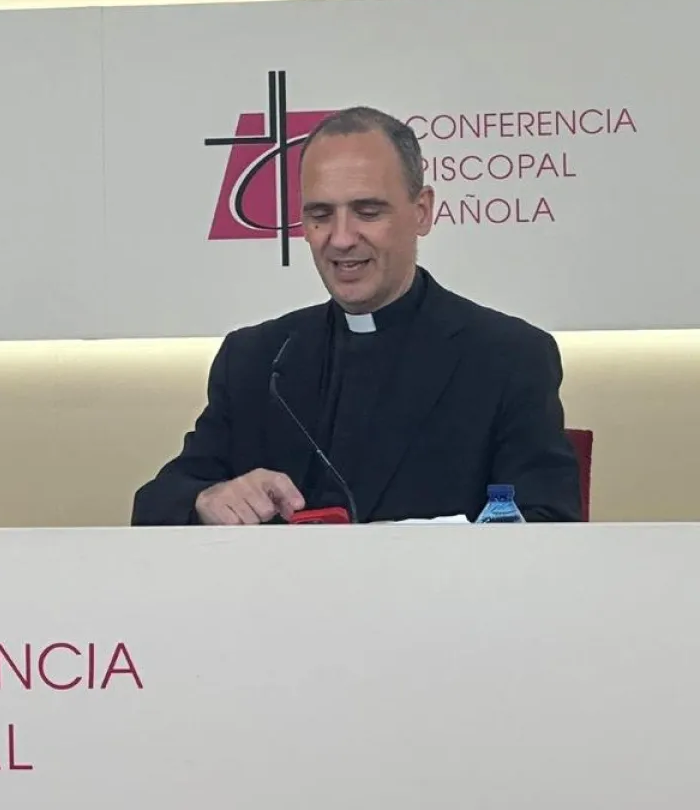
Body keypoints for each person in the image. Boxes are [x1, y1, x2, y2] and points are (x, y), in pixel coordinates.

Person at [132, 106, 583, 525]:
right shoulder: (255, 358)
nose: (342, 238)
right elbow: (157, 501)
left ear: (422, 212)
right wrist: (208, 499)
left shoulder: (508, 357)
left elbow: (549, 524)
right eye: (320, 215)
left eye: (367, 212)